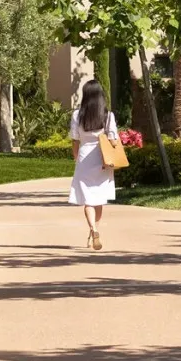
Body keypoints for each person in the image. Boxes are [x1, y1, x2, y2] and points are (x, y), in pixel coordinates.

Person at [68, 79, 118, 250]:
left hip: (84, 158)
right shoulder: (108, 116)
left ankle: (93, 230)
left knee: (87, 199)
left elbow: (75, 140)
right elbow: (113, 140)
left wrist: (76, 157)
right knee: (98, 198)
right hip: (102, 159)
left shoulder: (77, 115)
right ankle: (94, 230)